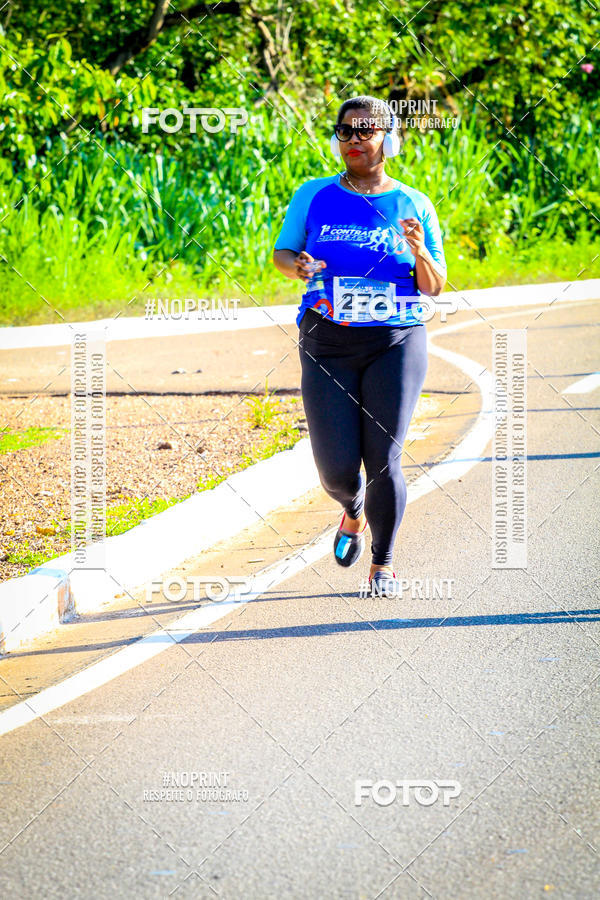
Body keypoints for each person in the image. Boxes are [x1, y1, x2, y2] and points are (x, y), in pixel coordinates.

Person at [272, 95, 447, 597]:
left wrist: (419, 251)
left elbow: (435, 285)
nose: (354, 139)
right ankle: (352, 509)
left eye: (365, 130)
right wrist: (296, 265)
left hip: (396, 341)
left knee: (384, 457)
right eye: (345, 131)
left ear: (388, 139)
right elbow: (283, 252)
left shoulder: (414, 203)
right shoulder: (313, 194)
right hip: (327, 340)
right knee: (336, 470)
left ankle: (383, 564)